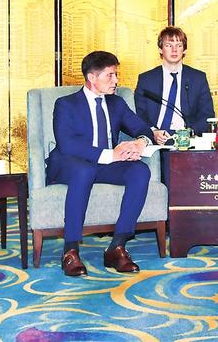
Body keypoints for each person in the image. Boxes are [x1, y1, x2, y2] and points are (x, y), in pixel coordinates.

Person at [45, 51, 156, 277]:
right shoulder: (66, 104)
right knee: (84, 171)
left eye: (116, 75)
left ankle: (117, 246)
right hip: (70, 163)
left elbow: (142, 128)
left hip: (105, 164)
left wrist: (140, 143)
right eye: (110, 75)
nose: (116, 80)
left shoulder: (116, 103)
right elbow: (67, 144)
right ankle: (70, 250)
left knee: (139, 171)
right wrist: (111, 154)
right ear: (92, 77)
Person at [134, 26, 215, 144]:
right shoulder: (146, 80)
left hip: (188, 140)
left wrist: (190, 133)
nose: (174, 50)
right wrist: (153, 132)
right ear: (160, 49)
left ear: (184, 50)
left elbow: (207, 115)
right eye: (169, 45)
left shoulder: (198, 78)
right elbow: (139, 114)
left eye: (179, 45)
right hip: (155, 140)